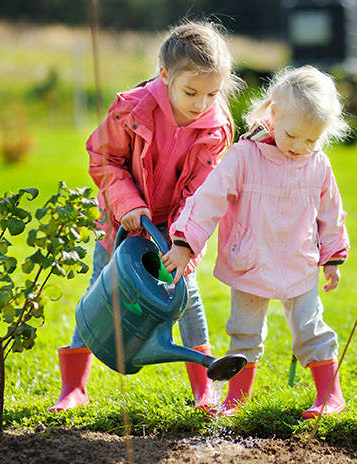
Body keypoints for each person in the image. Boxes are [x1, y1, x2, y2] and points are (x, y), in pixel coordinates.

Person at [49, 21, 243, 412]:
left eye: (212, 93)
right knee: (100, 291)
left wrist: (184, 242)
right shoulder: (132, 108)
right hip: (123, 224)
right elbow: (103, 157)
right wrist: (128, 205)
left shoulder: (216, 129)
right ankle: (74, 387)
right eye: (191, 92)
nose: (201, 103)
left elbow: (203, 195)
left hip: (176, 229)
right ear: (165, 74)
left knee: (186, 299)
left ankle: (205, 388)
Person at [163, 65, 350, 419]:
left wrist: (332, 256)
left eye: (311, 140)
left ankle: (329, 396)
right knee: (245, 331)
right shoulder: (243, 157)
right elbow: (209, 199)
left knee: (310, 329)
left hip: (300, 260)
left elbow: (331, 213)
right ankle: (237, 399)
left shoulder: (318, 165)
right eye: (293, 135)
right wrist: (186, 242)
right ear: (274, 114)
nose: (299, 147)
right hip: (249, 258)